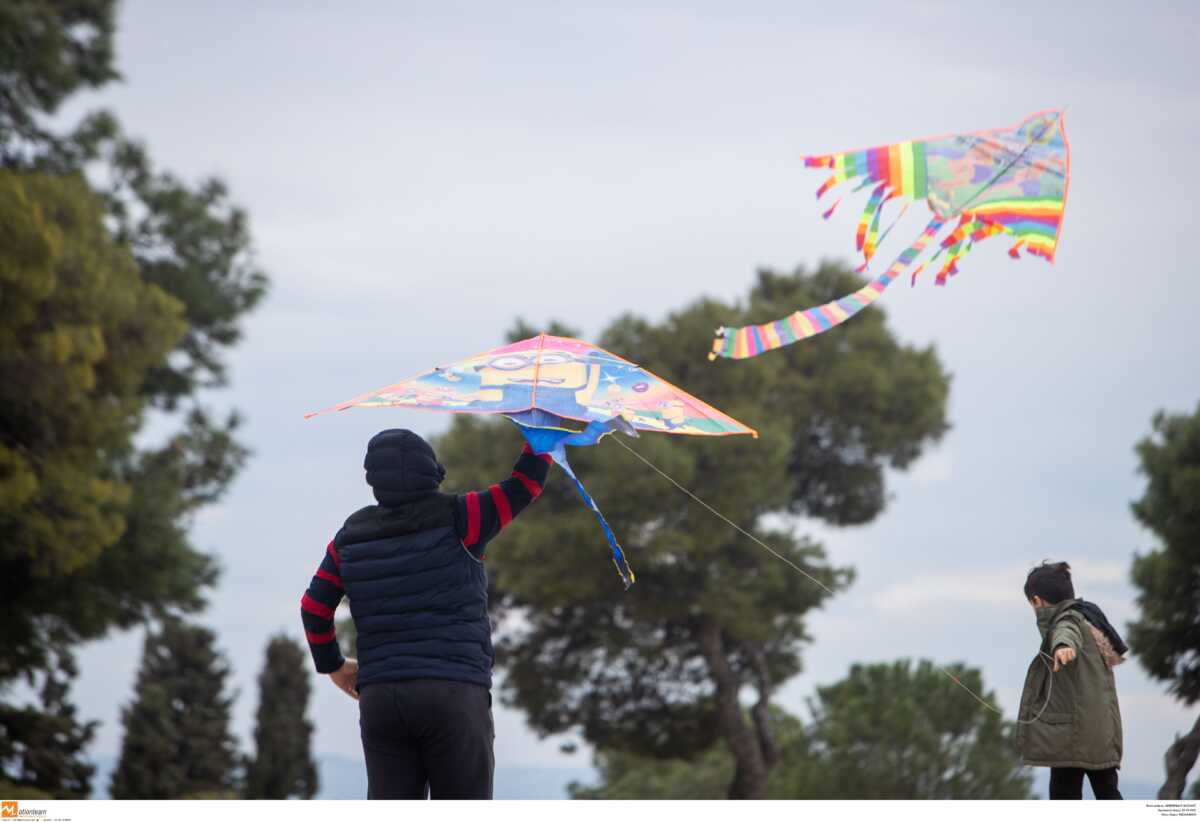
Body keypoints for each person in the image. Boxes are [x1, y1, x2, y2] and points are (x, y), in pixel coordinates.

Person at [300, 428, 552, 799]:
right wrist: (541, 432)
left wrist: (334, 666)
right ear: (432, 470)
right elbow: (526, 483)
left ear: (372, 479)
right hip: (454, 692)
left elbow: (314, 608)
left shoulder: (349, 537)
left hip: (382, 698)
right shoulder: (463, 515)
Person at [1015, 561, 1127, 800]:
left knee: (1064, 796)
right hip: (1099, 734)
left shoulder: (1068, 620)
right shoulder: (1088, 617)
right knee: (1108, 794)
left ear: (1037, 601)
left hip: (1072, 737)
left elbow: (1066, 632)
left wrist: (1063, 646)